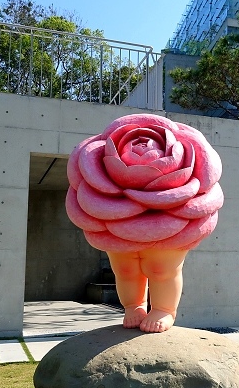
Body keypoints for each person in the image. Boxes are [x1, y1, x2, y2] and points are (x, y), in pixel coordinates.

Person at [65, 113, 223, 333]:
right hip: (117, 221)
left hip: (171, 223)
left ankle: (164, 309)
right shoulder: (98, 159)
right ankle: (133, 307)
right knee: (125, 269)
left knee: (162, 269)